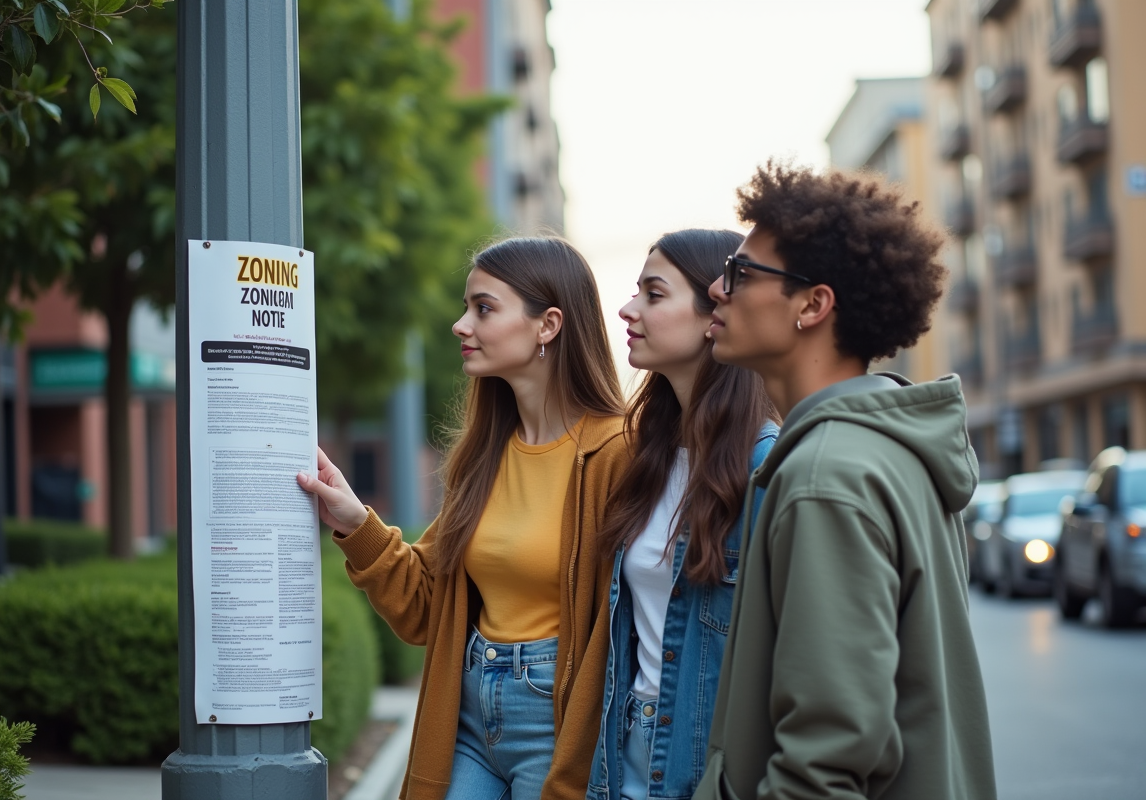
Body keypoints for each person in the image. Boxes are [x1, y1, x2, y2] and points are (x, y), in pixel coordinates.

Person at [694, 161, 997, 800]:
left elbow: (825, 760)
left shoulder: (826, 476)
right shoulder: (888, 449)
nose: (717, 290)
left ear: (814, 304)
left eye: (741, 274)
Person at [297, 236, 628, 800]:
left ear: (547, 325)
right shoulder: (486, 453)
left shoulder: (618, 453)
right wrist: (356, 523)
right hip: (468, 712)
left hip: (559, 723)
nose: (459, 324)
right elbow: (426, 609)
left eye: (483, 307)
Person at [587, 230, 779, 800]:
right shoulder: (642, 458)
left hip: (705, 768)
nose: (626, 309)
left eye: (653, 293)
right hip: (622, 756)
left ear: (712, 314)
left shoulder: (766, 469)